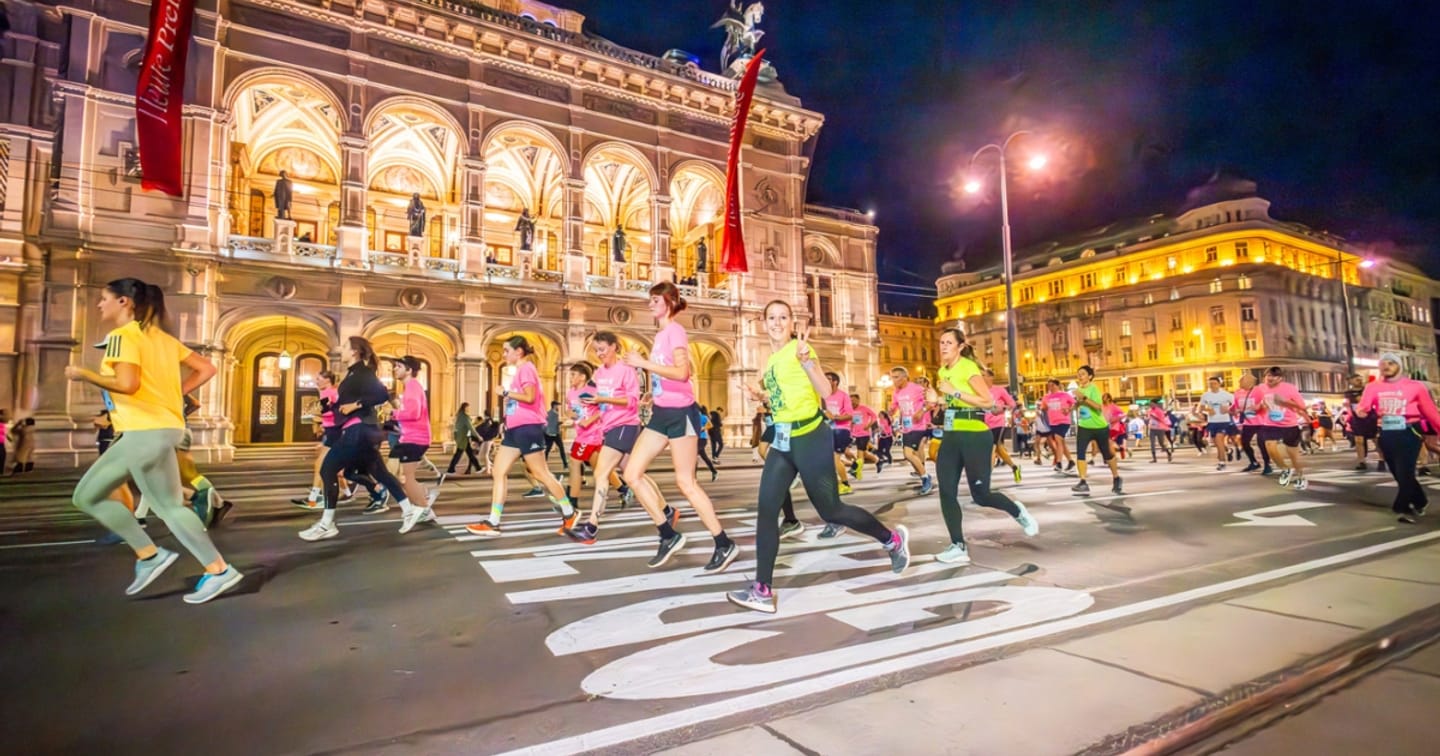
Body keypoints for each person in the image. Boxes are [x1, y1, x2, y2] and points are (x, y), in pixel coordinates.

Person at [64, 277, 242, 603]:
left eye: (104, 298)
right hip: (167, 429)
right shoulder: (162, 338)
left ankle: (149, 554)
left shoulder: (120, 337)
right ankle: (218, 570)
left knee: (86, 497)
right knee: (171, 507)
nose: (99, 304)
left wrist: (83, 374)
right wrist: (175, 395)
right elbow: (206, 368)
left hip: (142, 432)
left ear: (124, 302)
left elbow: (127, 384)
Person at [727, 300, 911, 613]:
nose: (776, 322)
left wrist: (808, 363)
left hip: (810, 437)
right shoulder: (771, 360)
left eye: (782, 317)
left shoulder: (801, 349)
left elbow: (825, 392)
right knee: (766, 510)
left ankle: (891, 539)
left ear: (791, 321)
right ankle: (762, 590)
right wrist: (761, 396)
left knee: (832, 510)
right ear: (763, 322)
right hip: (784, 441)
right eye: (771, 318)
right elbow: (785, 394)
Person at [622, 282, 737, 571]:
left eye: (655, 300)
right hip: (662, 413)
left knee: (686, 483)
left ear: (669, 303)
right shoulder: (660, 335)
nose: (650, 305)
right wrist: (654, 392)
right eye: (649, 300)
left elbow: (683, 372)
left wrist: (644, 364)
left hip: (683, 415)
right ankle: (667, 534)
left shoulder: (675, 331)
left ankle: (724, 543)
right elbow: (668, 376)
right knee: (632, 473)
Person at [932, 328, 1037, 564]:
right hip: (951, 435)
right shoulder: (942, 370)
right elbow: (954, 401)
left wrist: (954, 391)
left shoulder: (967, 367)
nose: (944, 346)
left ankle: (1017, 511)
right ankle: (957, 545)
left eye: (949, 342)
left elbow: (988, 402)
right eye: (941, 342)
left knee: (981, 495)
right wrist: (938, 400)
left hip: (975, 435)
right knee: (946, 491)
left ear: (960, 346)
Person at [301, 336, 415, 541]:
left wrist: (356, 405)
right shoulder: (353, 373)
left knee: (327, 469)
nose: (341, 349)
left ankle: (327, 524)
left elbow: (381, 395)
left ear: (354, 351)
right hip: (365, 430)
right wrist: (328, 407)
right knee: (380, 473)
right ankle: (409, 510)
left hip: (359, 430)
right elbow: (345, 404)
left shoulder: (362, 371)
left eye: (345, 347)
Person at [466, 335, 576, 536]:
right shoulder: (519, 371)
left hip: (528, 427)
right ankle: (493, 521)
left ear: (519, 352)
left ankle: (569, 512)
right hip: (514, 430)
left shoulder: (527, 368)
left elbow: (530, 397)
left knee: (541, 473)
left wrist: (505, 393)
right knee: (499, 472)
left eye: (507, 350)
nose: (505, 353)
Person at [565, 333, 650, 544]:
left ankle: (591, 526)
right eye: (596, 349)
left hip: (625, 424)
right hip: (609, 426)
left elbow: (631, 401)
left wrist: (602, 398)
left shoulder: (626, 370)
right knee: (633, 474)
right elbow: (596, 403)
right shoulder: (600, 374)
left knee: (601, 473)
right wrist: (584, 409)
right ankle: (666, 511)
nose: (599, 353)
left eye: (603, 348)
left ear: (614, 347)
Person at [1354, 353, 1440, 523]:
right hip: (1386, 433)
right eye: (1383, 363)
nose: (1386, 366)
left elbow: (1430, 411)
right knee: (1398, 473)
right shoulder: (1373, 387)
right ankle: (1420, 500)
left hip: (1409, 431)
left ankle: (1401, 508)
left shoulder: (1415, 386)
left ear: (1399, 366)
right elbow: (1364, 405)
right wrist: (1361, 411)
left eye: (1391, 363)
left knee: (1405, 471)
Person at [388, 356, 440, 533]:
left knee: (406, 478)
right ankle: (425, 503)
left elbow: (414, 412)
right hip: (411, 437)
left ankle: (421, 507)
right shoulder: (411, 386)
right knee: (404, 477)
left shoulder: (412, 386)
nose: (395, 369)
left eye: (398, 366)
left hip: (415, 438)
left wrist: (394, 413)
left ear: (409, 370)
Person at [293, 370, 347, 509]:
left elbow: (333, 412)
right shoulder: (326, 393)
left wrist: (318, 415)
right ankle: (344, 494)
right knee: (334, 469)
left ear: (327, 380)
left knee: (321, 465)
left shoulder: (331, 393)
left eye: (319, 378)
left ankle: (314, 499)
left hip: (335, 433)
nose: (316, 381)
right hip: (331, 432)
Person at [1253, 366, 1313, 491]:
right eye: (1267, 375)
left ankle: (1301, 476)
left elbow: (1302, 406)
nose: (1269, 378)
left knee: (1293, 456)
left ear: (1280, 378)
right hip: (1270, 424)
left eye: (1273, 376)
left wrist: (1284, 402)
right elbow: (1261, 404)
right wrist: (1258, 407)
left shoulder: (1289, 388)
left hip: (1289, 424)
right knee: (1270, 447)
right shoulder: (1261, 388)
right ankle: (1285, 469)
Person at [1070, 366, 1123, 495]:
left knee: (1107, 454)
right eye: (1078, 374)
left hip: (1099, 427)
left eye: (1082, 374)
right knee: (1080, 452)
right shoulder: (1080, 390)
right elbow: (1079, 404)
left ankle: (1116, 477)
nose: (1080, 376)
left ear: (1090, 376)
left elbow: (1098, 407)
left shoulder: (1093, 388)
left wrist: (1082, 398)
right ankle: (1083, 482)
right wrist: (1072, 407)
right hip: (1084, 426)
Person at [888, 367, 933, 494]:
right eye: (892, 377)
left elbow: (931, 403)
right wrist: (891, 411)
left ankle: (925, 478)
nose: (893, 380)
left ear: (904, 377)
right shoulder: (896, 392)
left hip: (918, 426)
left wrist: (921, 412)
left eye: (896, 377)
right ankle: (924, 475)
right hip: (907, 427)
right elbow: (895, 406)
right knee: (910, 456)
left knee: (908, 453)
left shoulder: (917, 389)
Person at [983, 370, 1021, 483]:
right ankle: (1014, 468)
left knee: (991, 449)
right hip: (983, 425)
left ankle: (986, 479)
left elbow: (1012, 404)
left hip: (997, 423)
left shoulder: (999, 390)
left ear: (991, 377)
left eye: (983, 375)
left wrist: (1002, 408)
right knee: (999, 449)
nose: (981, 377)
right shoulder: (979, 391)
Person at [823, 372, 856, 494]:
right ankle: (837, 483)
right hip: (826, 430)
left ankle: (845, 484)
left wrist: (834, 417)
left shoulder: (843, 396)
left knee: (834, 458)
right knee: (826, 460)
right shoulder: (822, 396)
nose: (825, 381)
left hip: (841, 430)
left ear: (835, 382)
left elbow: (850, 415)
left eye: (828, 379)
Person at [1233, 373, 1271, 474]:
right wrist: (1232, 410)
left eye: (1241, 381)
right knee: (1244, 443)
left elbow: (1268, 401)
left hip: (1261, 422)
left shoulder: (1260, 390)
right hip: (1248, 422)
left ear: (1249, 381)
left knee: (1261, 443)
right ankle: (1254, 462)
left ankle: (1267, 465)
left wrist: (1261, 406)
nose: (1239, 383)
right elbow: (1235, 406)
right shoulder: (1237, 393)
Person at [1345, 374, 1384, 472]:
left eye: (1360, 379)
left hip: (1370, 417)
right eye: (1356, 379)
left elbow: (1363, 399)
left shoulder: (1368, 389)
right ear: (1350, 381)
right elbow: (1350, 404)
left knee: (1376, 440)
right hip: (1357, 419)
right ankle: (1361, 461)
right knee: (1359, 440)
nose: (1359, 381)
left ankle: (1382, 460)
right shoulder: (1348, 393)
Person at [1200, 376, 1236, 471]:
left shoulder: (1226, 395)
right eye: (1210, 384)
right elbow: (1201, 408)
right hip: (1212, 422)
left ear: (1219, 384)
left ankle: (1222, 462)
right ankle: (1228, 450)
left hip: (1224, 421)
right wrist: (1208, 410)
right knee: (1217, 442)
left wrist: (1228, 409)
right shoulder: (1205, 395)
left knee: (1219, 439)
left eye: (1214, 383)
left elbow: (1236, 406)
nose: (1212, 386)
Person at [1041, 379, 1076, 473]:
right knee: (1061, 442)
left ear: (1058, 385)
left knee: (1058, 439)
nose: (1050, 387)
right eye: (1049, 386)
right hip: (1053, 422)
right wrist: (1043, 408)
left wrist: (1068, 409)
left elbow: (1074, 403)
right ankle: (1071, 461)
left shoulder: (1065, 395)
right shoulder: (1046, 397)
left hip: (1064, 421)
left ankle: (1059, 463)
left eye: (1052, 385)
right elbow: (1043, 407)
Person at [848, 394, 880, 478]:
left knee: (860, 455)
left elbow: (874, 416)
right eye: (850, 401)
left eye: (854, 400)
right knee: (865, 453)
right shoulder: (850, 410)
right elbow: (851, 421)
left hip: (864, 434)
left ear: (858, 400)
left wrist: (868, 425)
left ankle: (856, 471)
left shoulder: (864, 408)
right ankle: (878, 461)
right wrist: (850, 431)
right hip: (856, 435)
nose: (852, 402)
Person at [448, 402, 483, 474]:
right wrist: (478, 436)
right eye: (468, 408)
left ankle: (478, 468)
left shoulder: (459, 416)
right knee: (459, 454)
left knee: (470, 453)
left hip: (461, 437)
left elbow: (465, 428)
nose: (469, 409)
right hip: (463, 438)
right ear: (465, 408)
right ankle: (450, 470)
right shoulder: (465, 417)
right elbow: (470, 428)